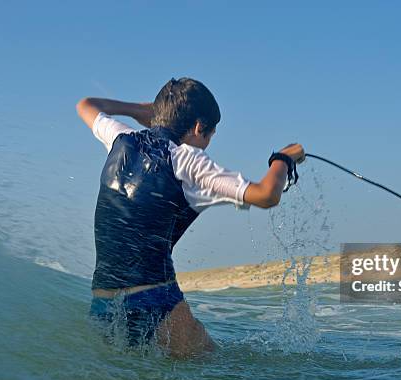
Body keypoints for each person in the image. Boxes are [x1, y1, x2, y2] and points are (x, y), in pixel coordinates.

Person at [76, 77, 305, 357]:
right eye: (209, 135)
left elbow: (86, 104)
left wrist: (140, 111)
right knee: (216, 372)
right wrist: (282, 159)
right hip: (155, 300)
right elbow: (267, 194)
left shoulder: (120, 138)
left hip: (103, 303)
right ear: (199, 128)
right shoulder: (188, 160)